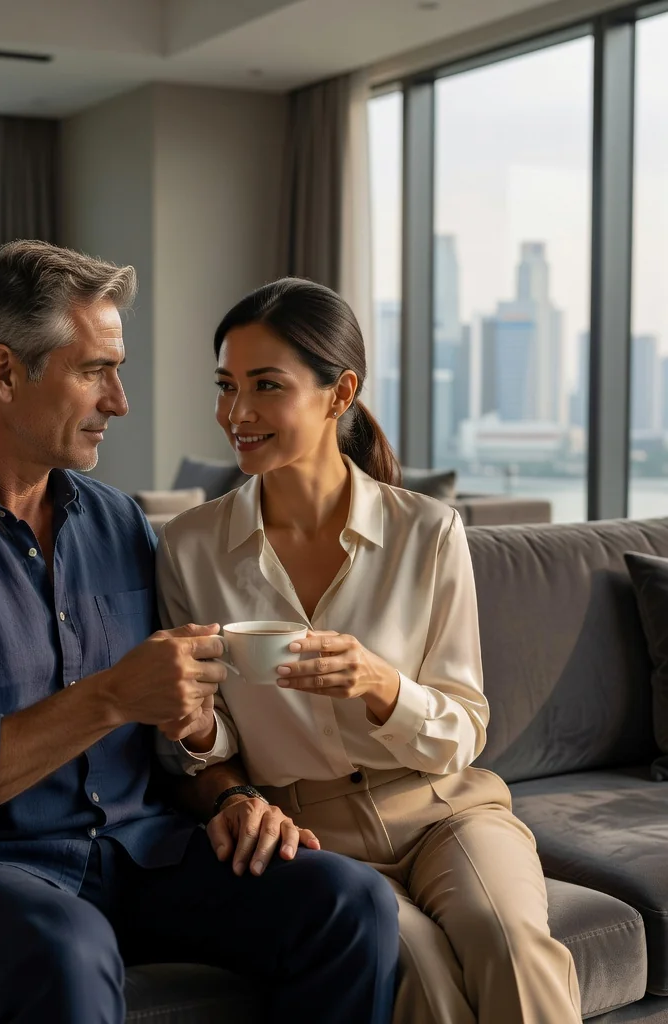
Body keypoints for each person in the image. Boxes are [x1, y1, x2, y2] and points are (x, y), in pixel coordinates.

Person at [0, 243, 399, 1024]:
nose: (118, 401)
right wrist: (108, 697)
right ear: (3, 372)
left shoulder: (117, 521)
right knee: (67, 952)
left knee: (350, 900)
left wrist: (232, 795)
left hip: (148, 849)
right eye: (94, 371)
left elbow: (177, 720)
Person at [156, 277, 582, 1024]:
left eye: (266, 386)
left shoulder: (428, 533)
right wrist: (193, 729)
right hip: (312, 833)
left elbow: (464, 728)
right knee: (415, 971)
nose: (236, 414)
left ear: (338, 391)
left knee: (508, 940)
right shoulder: (191, 548)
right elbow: (211, 742)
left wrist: (383, 685)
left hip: (446, 811)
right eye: (226, 386)